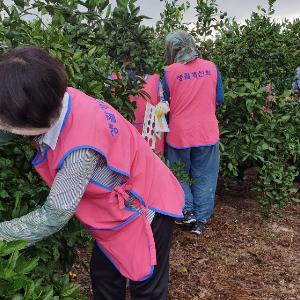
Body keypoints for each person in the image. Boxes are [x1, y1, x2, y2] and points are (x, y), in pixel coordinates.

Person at [0, 46, 184, 300]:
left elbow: (54, 215)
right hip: (117, 211)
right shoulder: (59, 96)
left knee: (147, 289)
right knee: (105, 274)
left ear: (32, 118)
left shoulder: (81, 149)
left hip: (145, 207)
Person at [160, 31, 224, 235]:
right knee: (205, 174)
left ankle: (187, 211)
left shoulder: (169, 72)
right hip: (207, 132)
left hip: (180, 134)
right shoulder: (211, 68)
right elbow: (219, 98)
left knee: (179, 173)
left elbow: (164, 103)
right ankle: (201, 221)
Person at [109, 72, 165, 154]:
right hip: (123, 138)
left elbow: (161, 116)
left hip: (149, 139)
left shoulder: (155, 80)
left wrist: (159, 148)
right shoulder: (113, 79)